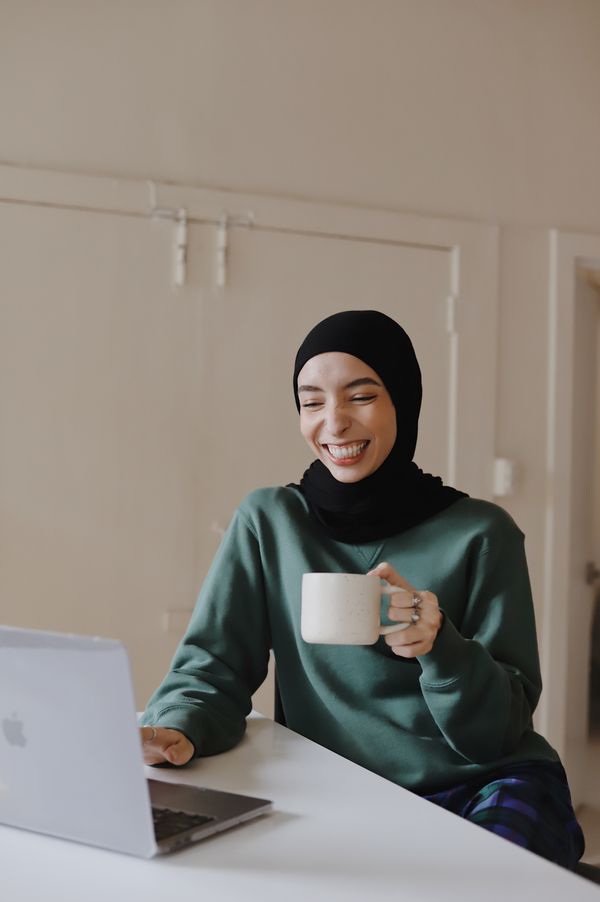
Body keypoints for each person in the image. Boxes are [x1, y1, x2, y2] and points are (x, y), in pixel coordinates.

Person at [140, 309, 584, 869]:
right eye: (312, 401)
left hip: (482, 783)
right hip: (338, 791)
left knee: (484, 883)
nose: (335, 422)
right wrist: (176, 727)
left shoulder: (481, 533)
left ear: (403, 400)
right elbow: (212, 669)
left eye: (361, 396)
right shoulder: (268, 521)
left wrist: (438, 645)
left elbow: (499, 734)